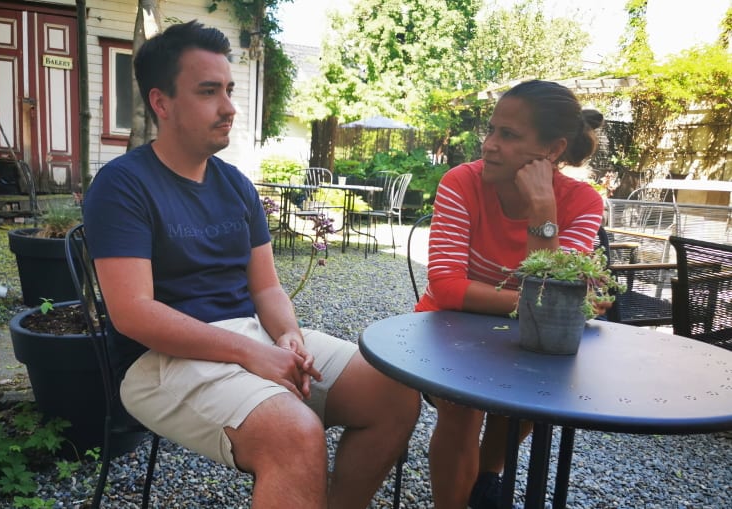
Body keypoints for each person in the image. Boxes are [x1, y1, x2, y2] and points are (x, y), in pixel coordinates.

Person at [83, 20, 420, 509]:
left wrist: (288, 337)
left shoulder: (236, 184)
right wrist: (249, 354)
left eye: (229, 90)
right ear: (161, 102)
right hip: (157, 361)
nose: (229, 107)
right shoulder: (123, 185)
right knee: (295, 434)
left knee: (393, 394)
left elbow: (267, 289)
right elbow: (134, 314)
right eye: (208, 91)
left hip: (250, 337)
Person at [414, 80, 606, 509]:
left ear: (553, 150)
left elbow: (555, 295)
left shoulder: (582, 202)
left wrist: (542, 210)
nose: (489, 145)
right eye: (491, 130)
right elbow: (446, 286)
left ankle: (485, 479)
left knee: (533, 393)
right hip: (445, 328)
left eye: (508, 135)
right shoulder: (461, 183)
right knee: (462, 405)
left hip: (520, 338)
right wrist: (541, 306)